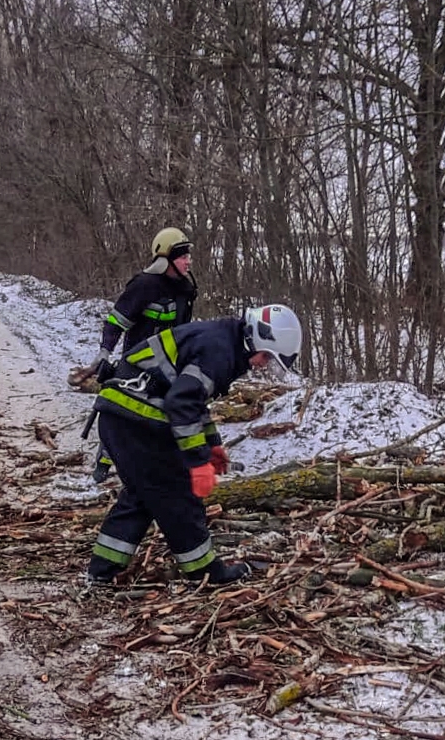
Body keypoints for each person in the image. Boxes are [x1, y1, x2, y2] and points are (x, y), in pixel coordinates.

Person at [85, 303, 303, 588]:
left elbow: (195, 403)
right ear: (256, 338)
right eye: (265, 356)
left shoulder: (224, 340)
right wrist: (198, 462)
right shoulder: (219, 351)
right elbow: (181, 403)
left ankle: (102, 571)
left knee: (144, 495)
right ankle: (205, 573)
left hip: (125, 417)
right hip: (135, 419)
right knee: (177, 494)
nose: (262, 364)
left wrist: (212, 446)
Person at [70, 227, 200, 481]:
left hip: (168, 364)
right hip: (135, 364)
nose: (189, 262)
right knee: (120, 413)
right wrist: (104, 352)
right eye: (183, 257)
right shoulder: (144, 285)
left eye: (188, 257)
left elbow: (182, 331)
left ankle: (164, 463)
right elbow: (116, 321)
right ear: (166, 258)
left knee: (167, 413)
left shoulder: (185, 290)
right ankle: (104, 460)